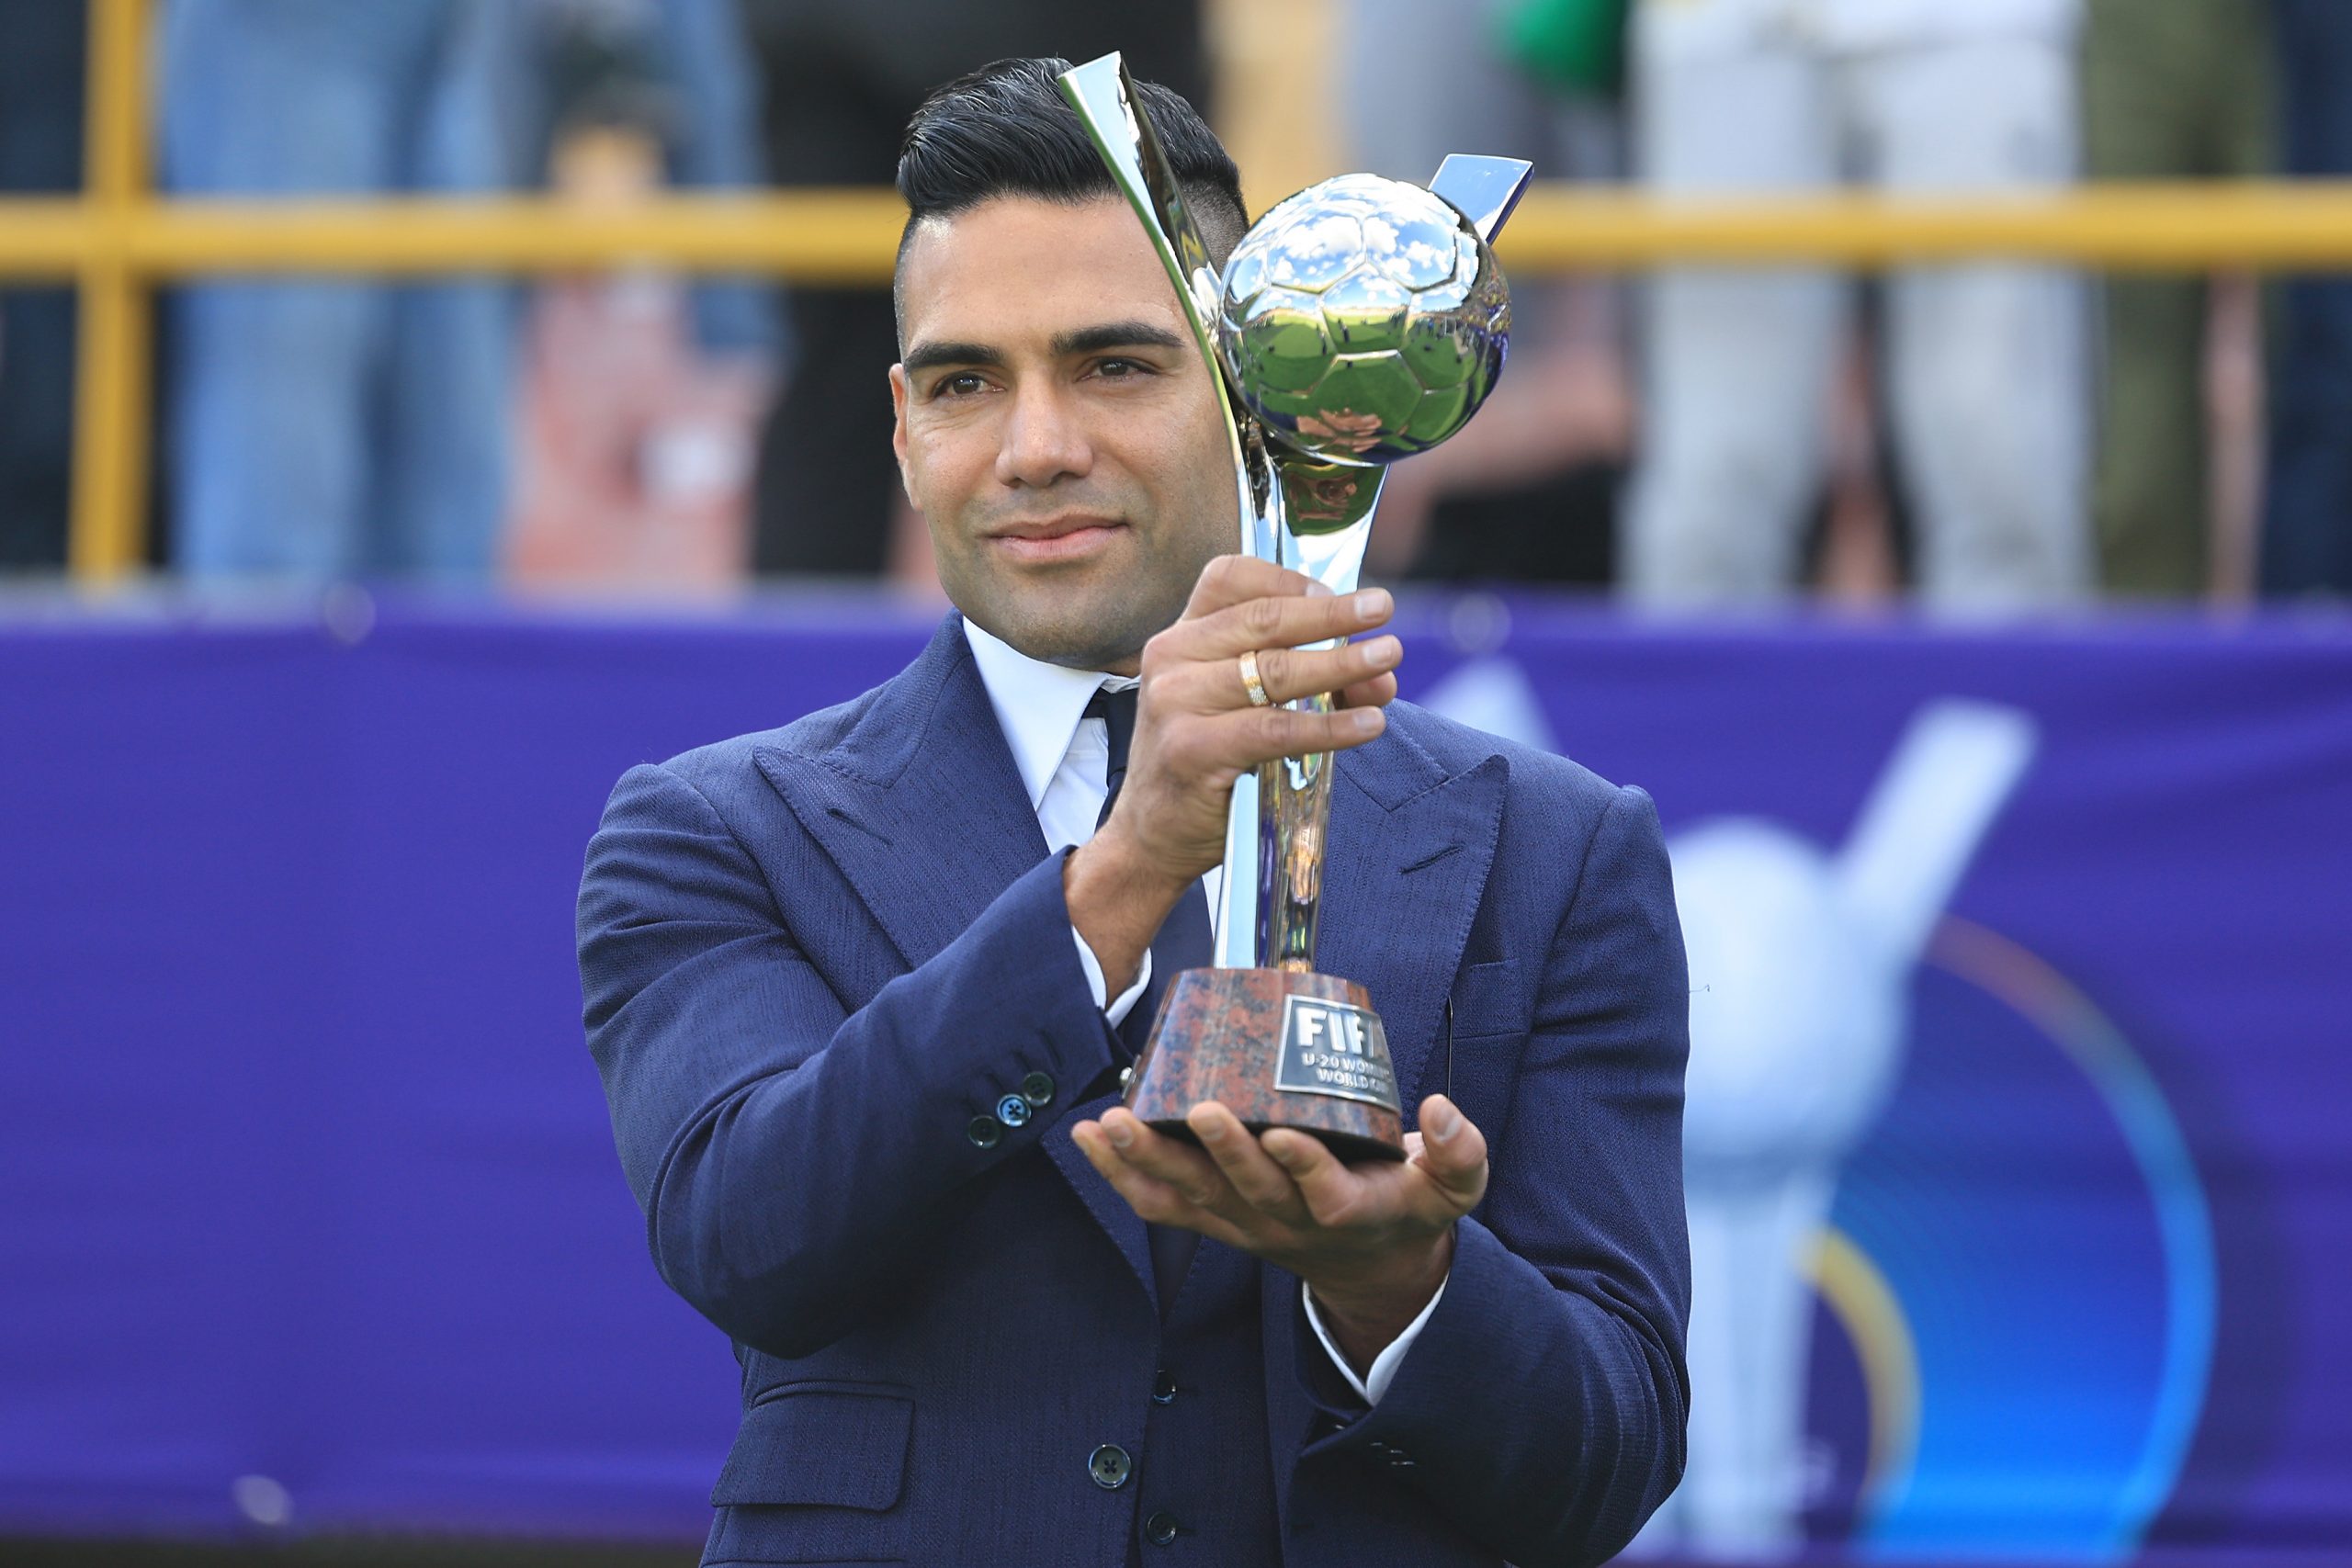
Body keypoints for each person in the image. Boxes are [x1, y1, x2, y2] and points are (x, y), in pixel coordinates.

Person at [578, 59, 1690, 1568]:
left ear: (1259, 391)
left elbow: (1608, 1461)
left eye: (1113, 364)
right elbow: (751, 1235)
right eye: (967, 382)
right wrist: (1129, 865)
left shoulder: (1554, 849)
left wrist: (1400, 1277)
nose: (1034, 446)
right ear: (902, 431)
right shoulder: (715, 829)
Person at [1621, 0, 2091, 610]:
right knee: (1716, 484)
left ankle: (2011, 698)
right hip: (1725, 29)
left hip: (1977, 24)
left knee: (2000, 461)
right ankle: (1695, 704)